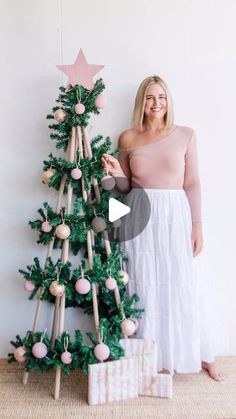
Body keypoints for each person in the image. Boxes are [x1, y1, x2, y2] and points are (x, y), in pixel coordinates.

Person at [101, 75, 226, 381]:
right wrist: (116, 172)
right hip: (141, 215)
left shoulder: (185, 134)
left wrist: (197, 225)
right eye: (150, 98)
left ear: (168, 101)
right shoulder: (127, 138)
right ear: (141, 103)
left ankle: (200, 353)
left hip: (176, 217)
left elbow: (192, 182)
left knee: (185, 283)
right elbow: (126, 187)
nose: (156, 103)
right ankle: (149, 355)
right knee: (145, 285)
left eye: (162, 97)